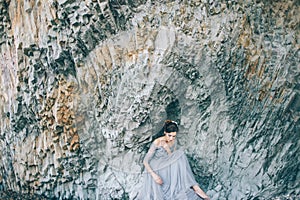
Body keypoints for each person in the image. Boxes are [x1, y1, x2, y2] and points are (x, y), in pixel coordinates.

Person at [137, 120, 210, 200]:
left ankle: (195, 187)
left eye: (174, 136)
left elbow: (171, 156)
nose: (171, 138)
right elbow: (145, 161)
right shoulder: (157, 142)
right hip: (157, 165)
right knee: (180, 155)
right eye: (169, 135)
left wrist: (167, 148)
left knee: (180, 155)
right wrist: (154, 176)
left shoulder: (173, 141)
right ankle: (194, 187)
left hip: (166, 162)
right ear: (165, 132)